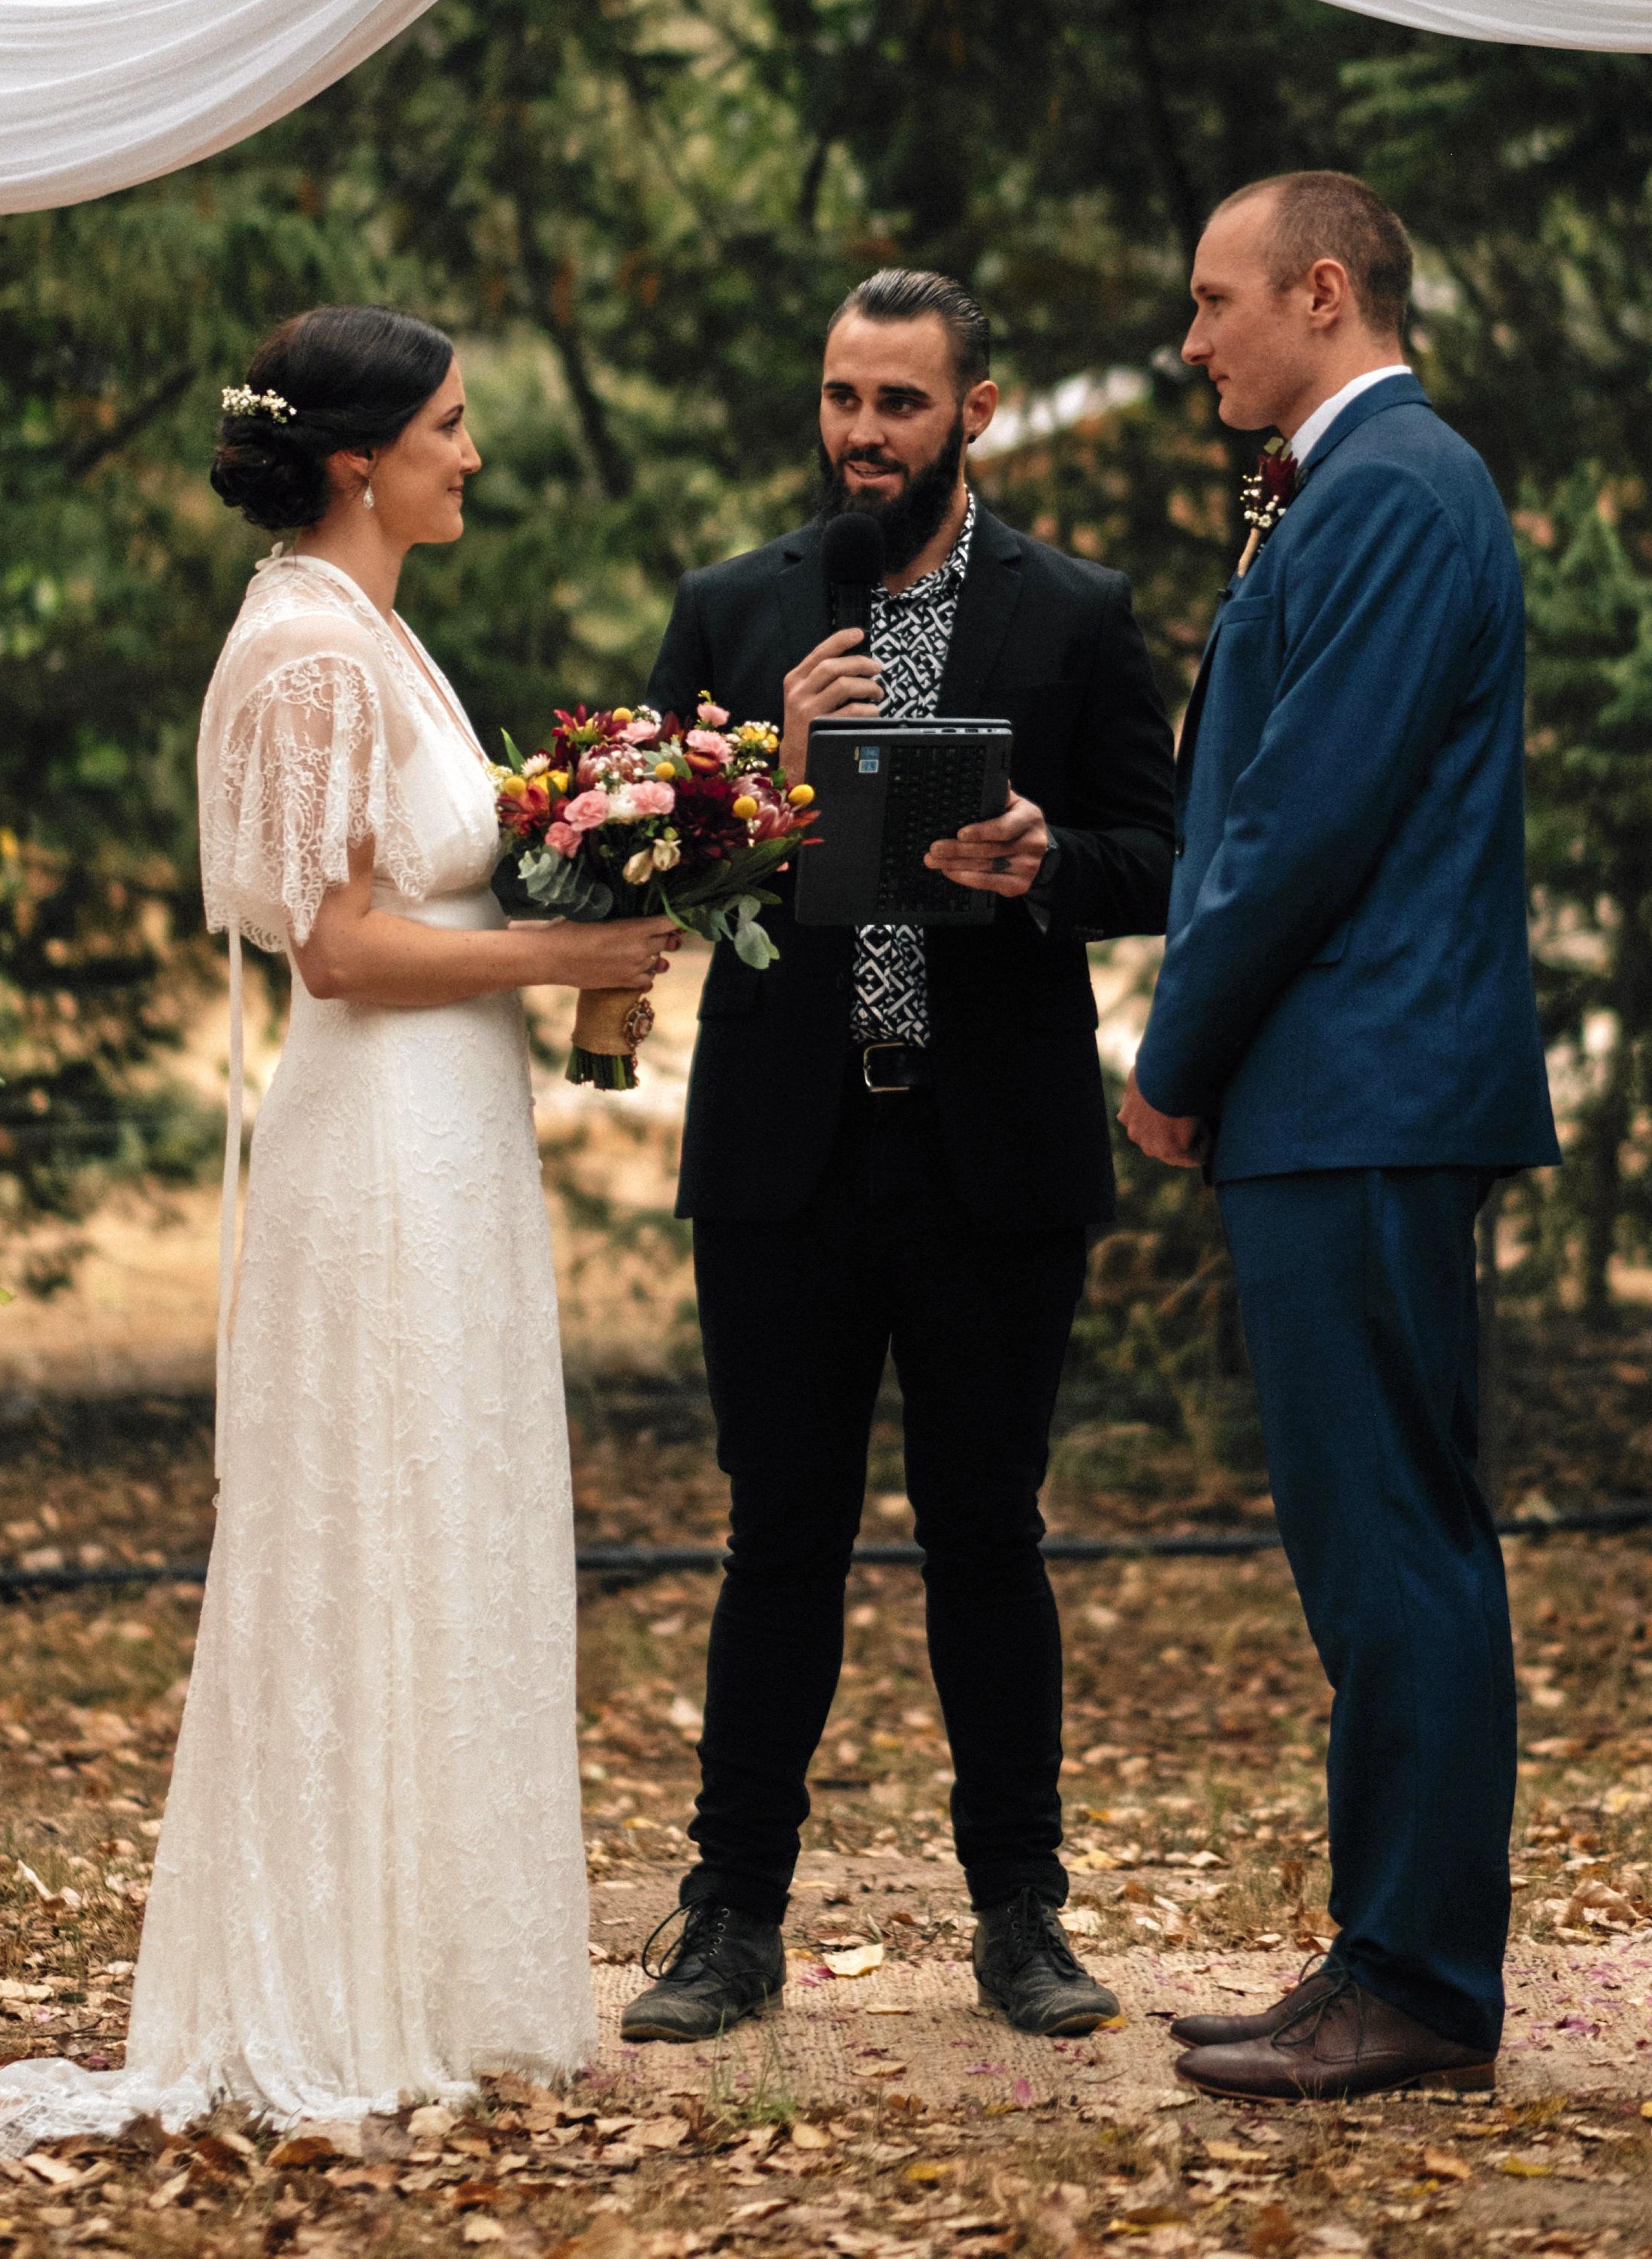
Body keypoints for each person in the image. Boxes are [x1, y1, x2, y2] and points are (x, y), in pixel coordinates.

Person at [0, 307, 677, 2154]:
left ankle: (438, 1963)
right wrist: (564, 947)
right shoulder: (314, 649)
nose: (472, 455)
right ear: (357, 459)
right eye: (452, 427)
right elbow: (333, 946)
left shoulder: (378, 630)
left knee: (445, 1502)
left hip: (448, 1131)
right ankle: (333, 1977)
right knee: (371, 1508)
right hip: (379, 1140)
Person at [620, 268, 1175, 2044]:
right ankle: (730, 1915)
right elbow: (640, 870)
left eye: (902, 403)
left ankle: (1021, 1913)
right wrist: (766, 775)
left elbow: (1163, 853)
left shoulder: (1078, 612)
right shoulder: (734, 603)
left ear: (977, 411)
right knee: (777, 1532)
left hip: (992, 1147)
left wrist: (1044, 856)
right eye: (844, 397)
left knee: (987, 1532)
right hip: (787, 1148)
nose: (866, 433)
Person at [1122, 175, 1558, 2103]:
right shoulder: (1368, 481)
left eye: (1217, 303)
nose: (1193, 340)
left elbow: (1304, 821)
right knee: (1370, 1537)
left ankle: (1420, 1981)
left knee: (1393, 1542)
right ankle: (1381, 1950)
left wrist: (1173, 1045)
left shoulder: (1389, 485)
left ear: (1320, 289)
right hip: (1349, 1087)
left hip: (1360, 1078)